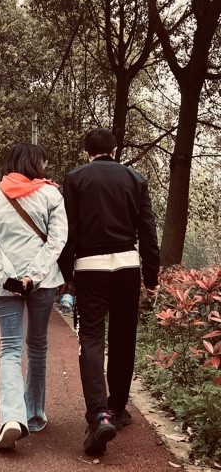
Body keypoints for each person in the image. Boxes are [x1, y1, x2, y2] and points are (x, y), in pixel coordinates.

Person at [57, 128, 160, 457]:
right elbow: (148, 229)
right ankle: (117, 408)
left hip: (90, 267)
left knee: (90, 337)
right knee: (123, 337)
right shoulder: (136, 179)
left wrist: (66, 275)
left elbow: (69, 230)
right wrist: (152, 276)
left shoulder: (75, 179)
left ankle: (98, 415)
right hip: (127, 265)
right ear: (115, 150)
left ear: (87, 152)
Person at [0, 142, 68, 450]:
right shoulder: (51, 194)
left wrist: (8, 276)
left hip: (3, 283)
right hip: (42, 282)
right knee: (38, 346)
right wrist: (34, 276)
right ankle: (34, 415)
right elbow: (57, 240)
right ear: (36, 164)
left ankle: (11, 417)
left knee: (10, 348)